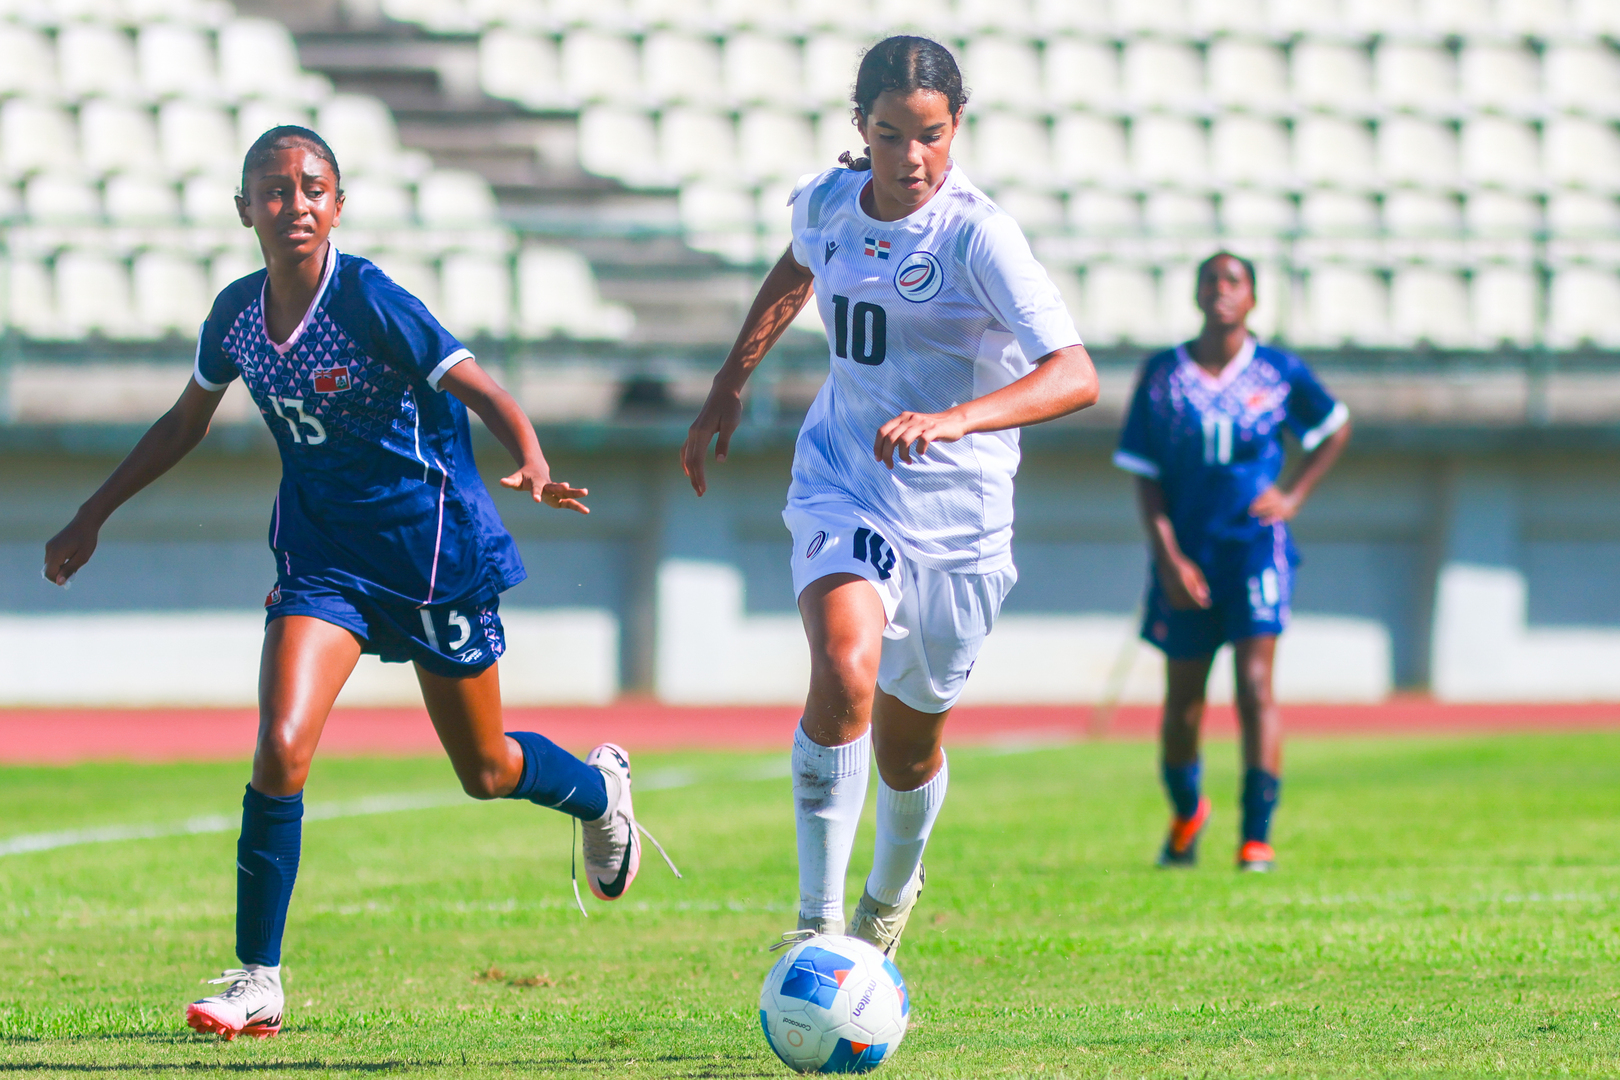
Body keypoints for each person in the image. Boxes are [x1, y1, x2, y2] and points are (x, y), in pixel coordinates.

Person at [41, 126, 673, 1040]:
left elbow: (484, 390)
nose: (293, 203)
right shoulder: (233, 316)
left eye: (312, 187)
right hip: (322, 561)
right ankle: (258, 979)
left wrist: (530, 459)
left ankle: (596, 792)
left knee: (486, 769)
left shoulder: (372, 299)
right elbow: (183, 424)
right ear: (244, 208)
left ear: (338, 204)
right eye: (272, 189)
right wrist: (92, 512)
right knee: (281, 745)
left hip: (431, 557)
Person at [681, 37, 1098, 955]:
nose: (910, 159)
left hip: (959, 523)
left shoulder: (978, 235)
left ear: (958, 130)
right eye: (888, 135)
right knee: (843, 669)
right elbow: (798, 266)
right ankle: (818, 929)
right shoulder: (830, 200)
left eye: (931, 136)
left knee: (908, 754)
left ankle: (893, 888)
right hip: (845, 481)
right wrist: (730, 379)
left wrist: (960, 420)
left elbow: (1075, 374)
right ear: (858, 128)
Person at [1114, 252, 1351, 873]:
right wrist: (1167, 558)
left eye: (1235, 282)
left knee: (1254, 688)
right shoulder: (1163, 374)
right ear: (1196, 293)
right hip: (1186, 555)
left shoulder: (1278, 370)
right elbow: (1146, 477)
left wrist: (1294, 494)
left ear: (1253, 298)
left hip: (1255, 549)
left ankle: (1256, 837)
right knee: (1185, 701)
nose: (1222, 291)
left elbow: (1334, 426)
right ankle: (1189, 809)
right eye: (1212, 281)